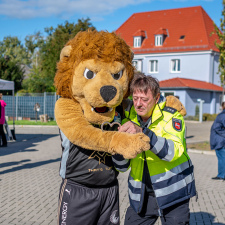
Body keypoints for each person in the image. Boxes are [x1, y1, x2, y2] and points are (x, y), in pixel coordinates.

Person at [112, 73, 196, 225]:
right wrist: (117, 146)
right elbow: (122, 167)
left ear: (157, 98)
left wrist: (143, 133)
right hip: (142, 195)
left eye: (144, 99)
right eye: (135, 98)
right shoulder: (128, 118)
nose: (138, 104)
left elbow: (173, 152)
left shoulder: (172, 117)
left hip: (173, 193)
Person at [210, 101, 225, 180]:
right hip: (221, 140)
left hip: (220, 141)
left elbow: (216, 128)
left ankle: (221, 175)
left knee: (221, 158)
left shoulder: (222, 115)